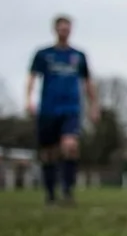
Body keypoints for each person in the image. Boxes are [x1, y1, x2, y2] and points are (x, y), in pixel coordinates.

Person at [25, 15, 99, 206]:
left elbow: (88, 82)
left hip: (71, 108)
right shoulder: (43, 54)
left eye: (67, 28)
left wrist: (94, 106)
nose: (64, 31)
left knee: (70, 146)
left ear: (71, 30)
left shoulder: (78, 56)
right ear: (55, 30)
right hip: (49, 109)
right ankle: (50, 193)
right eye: (61, 28)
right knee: (49, 152)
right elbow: (31, 78)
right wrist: (28, 100)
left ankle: (68, 190)